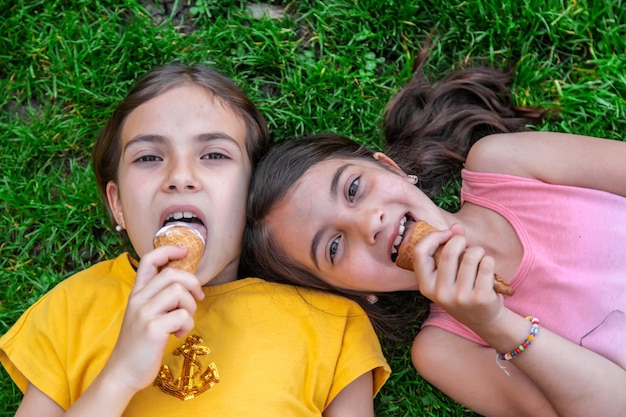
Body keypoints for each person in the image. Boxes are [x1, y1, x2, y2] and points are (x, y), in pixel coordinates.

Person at [243, 54, 626, 417]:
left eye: (353, 188)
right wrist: (496, 325)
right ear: (354, 293)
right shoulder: (445, 349)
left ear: (392, 168)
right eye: (334, 247)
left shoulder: (505, 165)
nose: (368, 224)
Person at [0, 63, 390, 416]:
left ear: (250, 193)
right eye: (149, 158)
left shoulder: (332, 323)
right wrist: (119, 376)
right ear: (117, 205)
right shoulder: (71, 308)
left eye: (215, 155)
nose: (180, 175)